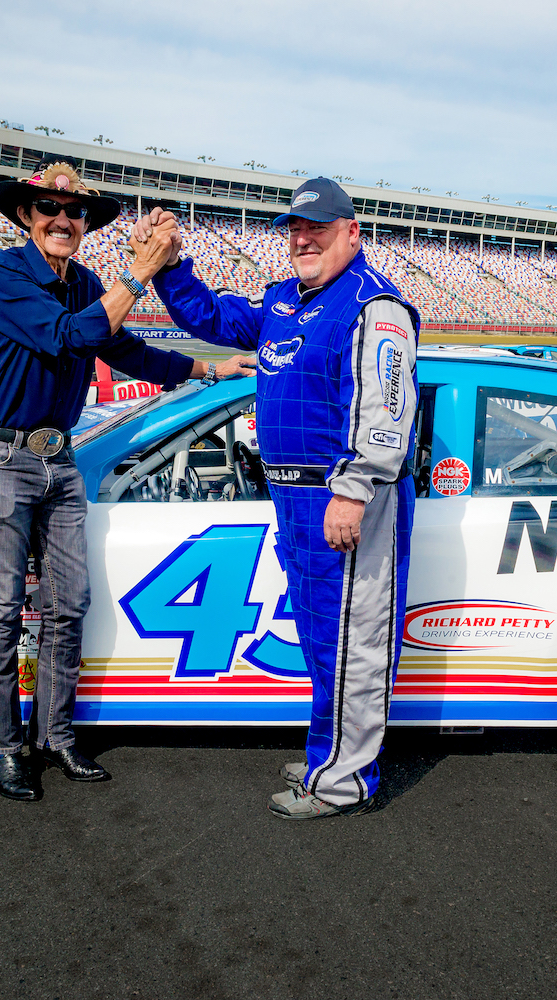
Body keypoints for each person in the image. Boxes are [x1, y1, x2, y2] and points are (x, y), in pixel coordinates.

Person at [135, 177, 419, 819]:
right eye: (294, 228)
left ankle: (344, 781)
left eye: (317, 227)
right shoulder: (284, 300)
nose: (302, 238)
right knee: (322, 638)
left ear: (352, 232)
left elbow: (388, 408)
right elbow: (210, 317)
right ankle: (330, 756)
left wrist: (353, 491)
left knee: (352, 643)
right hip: (293, 502)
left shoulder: (376, 307)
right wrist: (171, 265)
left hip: (346, 498)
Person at [0, 161, 249, 801]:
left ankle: (56, 738)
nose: (62, 220)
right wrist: (140, 272)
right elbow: (77, 335)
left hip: (58, 459)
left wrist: (210, 368)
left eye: (75, 214)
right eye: (48, 210)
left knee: (69, 605)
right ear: (25, 217)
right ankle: (4, 745)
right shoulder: (5, 272)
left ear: (86, 224)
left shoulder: (87, 280)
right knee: (4, 610)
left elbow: (123, 351)